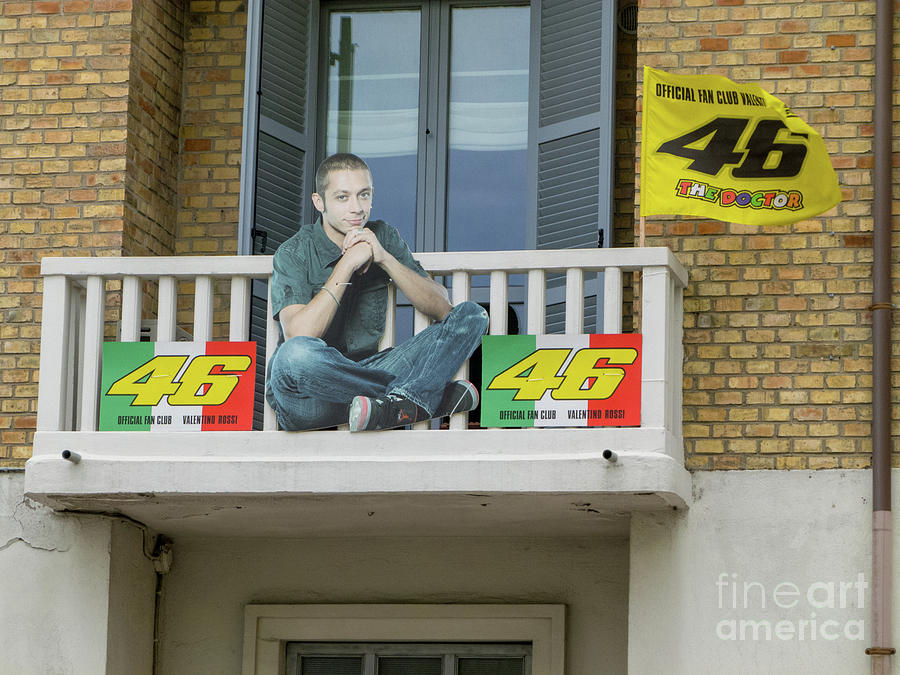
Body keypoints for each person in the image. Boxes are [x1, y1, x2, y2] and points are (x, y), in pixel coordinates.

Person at [265, 153, 489, 432]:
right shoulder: (294, 252)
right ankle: (417, 397)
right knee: (294, 354)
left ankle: (400, 403)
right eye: (342, 197)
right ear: (319, 202)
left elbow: (442, 308)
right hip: (309, 397)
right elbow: (299, 335)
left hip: (371, 369)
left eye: (364, 195)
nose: (356, 208)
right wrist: (346, 264)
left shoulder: (382, 235)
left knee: (472, 315)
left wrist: (384, 258)